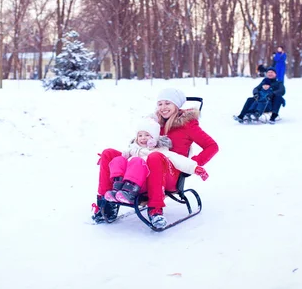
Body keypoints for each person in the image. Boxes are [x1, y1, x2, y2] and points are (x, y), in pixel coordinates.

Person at [93, 88, 219, 228]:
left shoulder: (188, 125)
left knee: (155, 156)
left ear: (176, 105)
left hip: (171, 174)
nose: (163, 108)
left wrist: (192, 165)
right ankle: (106, 204)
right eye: (160, 104)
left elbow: (212, 146)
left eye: (167, 103)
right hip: (143, 170)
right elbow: (136, 145)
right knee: (108, 153)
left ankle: (155, 211)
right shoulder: (153, 122)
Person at [104, 118, 209, 205]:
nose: (143, 138)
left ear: (154, 138)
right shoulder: (133, 149)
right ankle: (116, 188)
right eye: (140, 135)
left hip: (143, 182)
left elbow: (178, 159)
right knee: (118, 160)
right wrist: (122, 157)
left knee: (137, 161)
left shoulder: (160, 150)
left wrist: (195, 168)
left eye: (147, 135)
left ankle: (130, 192)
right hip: (125, 181)